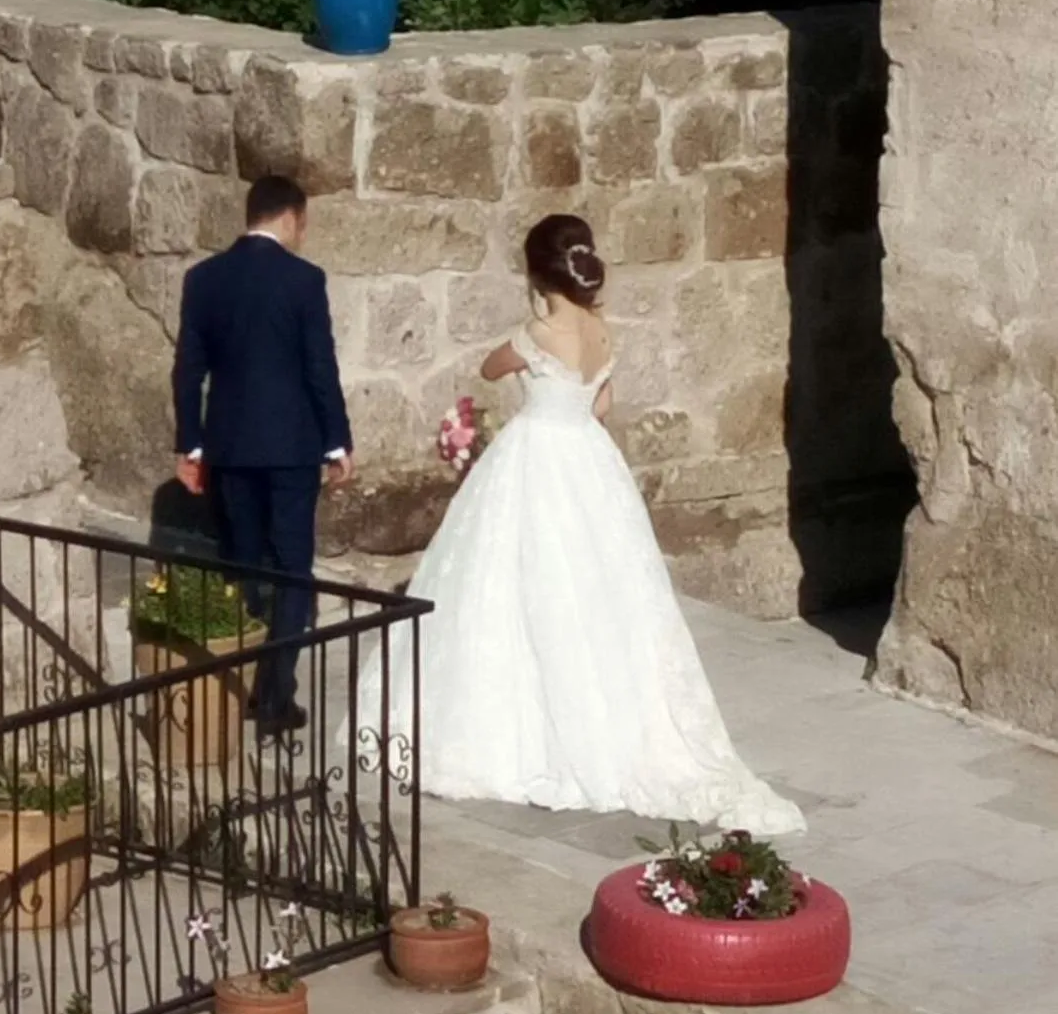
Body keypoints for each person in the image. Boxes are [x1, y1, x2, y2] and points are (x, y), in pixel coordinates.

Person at [351, 214, 804, 835]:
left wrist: (531, 337)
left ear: (538, 274)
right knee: (597, 587)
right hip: (590, 458)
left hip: (537, 454)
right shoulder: (599, 328)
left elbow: (489, 368)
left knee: (516, 580)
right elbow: (603, 403)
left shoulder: (537, 330)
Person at [173, 174, 354, 737]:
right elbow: (318, 366)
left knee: (243, 562)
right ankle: (275, 696)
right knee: (294, 568)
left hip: (228, 445)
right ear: (292, 217)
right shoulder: (303, 280)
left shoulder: (204, 279)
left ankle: (241, 679)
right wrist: (337, 441)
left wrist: (192, 442)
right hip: (292, 446)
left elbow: (188, 369)